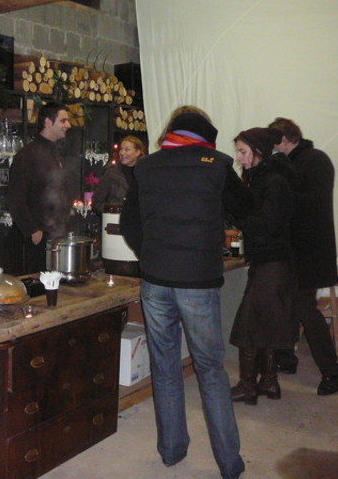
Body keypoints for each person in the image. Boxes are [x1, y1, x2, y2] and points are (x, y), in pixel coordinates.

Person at [120, 107, 251, 479]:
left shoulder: (146, 167)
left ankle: (171, 451)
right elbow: (247, 209)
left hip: (155, 279)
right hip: (198, 280)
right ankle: (229, 463)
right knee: (210, 370)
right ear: (205, 134)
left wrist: (151, 254)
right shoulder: (217, 165)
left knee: (164, 368)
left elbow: (129, 224)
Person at [269, 117, 338, 396]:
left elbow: (314, 200)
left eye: (273, 142)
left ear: (284, 139)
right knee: (287, 305)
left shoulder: (315, 159)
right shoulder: (290, 161)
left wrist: (280, 192)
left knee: (305, 309)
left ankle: (333, 372)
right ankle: (286, 358)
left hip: (309, 251)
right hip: (292, 249)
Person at [228, 127, 296, 406]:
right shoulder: (265, 177)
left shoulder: (273, 181)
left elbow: (266, 225)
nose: (239, 158)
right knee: (265, 323)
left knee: (248, 326)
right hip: (270, 261)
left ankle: (248, 385)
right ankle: (268, 381)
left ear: (258, 152)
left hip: (273, 261)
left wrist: (236, 215)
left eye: (243, 152)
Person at [7, 102, 75, 273]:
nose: (68, 125)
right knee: (36, 283)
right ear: (47, 122)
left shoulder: (56, 153)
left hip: (56, 232)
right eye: (63, 121)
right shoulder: (27, 155)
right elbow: (15, 199)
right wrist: (32, 230)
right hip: (37, 237)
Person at [90, 135, 146, 214]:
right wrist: (113, 210)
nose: (122, 153)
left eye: (127, 149)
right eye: (121, 149)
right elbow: (96, 203)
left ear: (137, 152)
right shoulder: (111, 174)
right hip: (115, 220)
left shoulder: (146, 174)